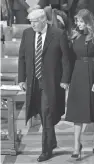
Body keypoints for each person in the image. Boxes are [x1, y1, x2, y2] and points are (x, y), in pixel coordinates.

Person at [18, 9, 71, 162]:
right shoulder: (27, 34)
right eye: (30, 22)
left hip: (51, 82)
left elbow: (66, 60)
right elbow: (22, 58)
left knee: (47, 113)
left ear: (43, 20)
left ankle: (46, 150)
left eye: (34, 22)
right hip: (33, 81)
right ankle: (52, 141)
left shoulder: (58, 34)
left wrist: (65, 79)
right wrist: (22, 79)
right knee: (41, 113)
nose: (32, 24)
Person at [65, 9, 94, 161]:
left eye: (80, 21)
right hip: (78, 75)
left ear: (88, 23)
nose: (78, 24)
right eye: (77, 21)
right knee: (76, 113)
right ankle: (76, 146)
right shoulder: (74, 36)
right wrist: (66, 79)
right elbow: (69, 60)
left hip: (93, 74)